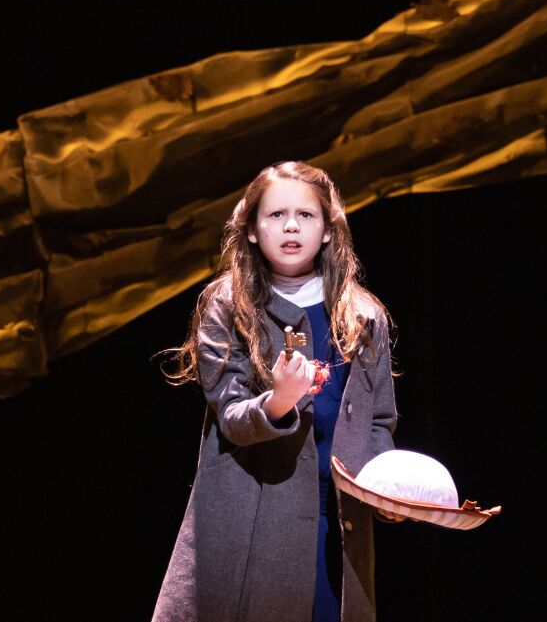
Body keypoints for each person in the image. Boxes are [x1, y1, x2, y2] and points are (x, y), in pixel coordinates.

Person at [153, 161, 398, 622]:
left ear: (327, 230)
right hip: (255, 517)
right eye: (275, 215)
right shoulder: (228, 306)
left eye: (306, 215)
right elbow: (232, 418)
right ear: (251, 230)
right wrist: (280, 399)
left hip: (337, 524)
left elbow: (379, 421)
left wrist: (388, 492)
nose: (290, 226)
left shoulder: (364, 317)